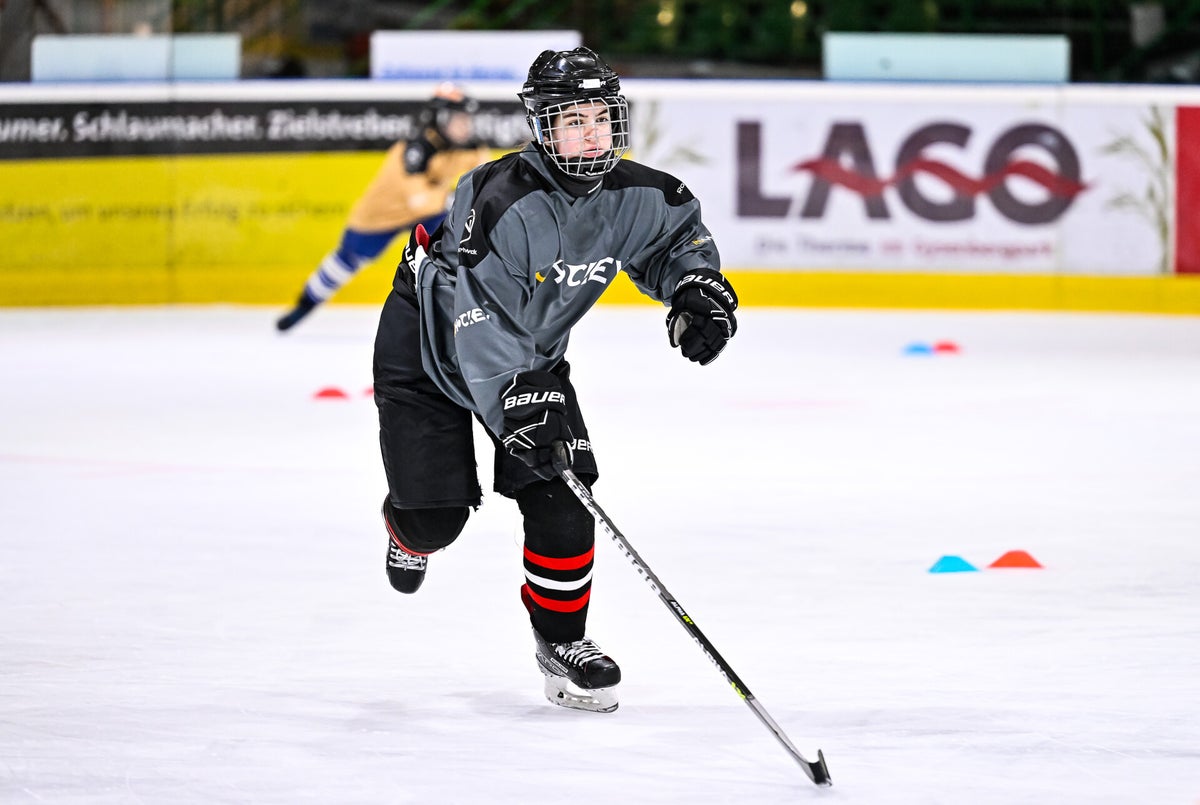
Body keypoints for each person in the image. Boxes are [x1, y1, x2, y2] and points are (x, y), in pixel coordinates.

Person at [371, 47, 738, 713]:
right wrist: (522, 404)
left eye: (601, 118)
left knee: (565, 492)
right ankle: (406, 532)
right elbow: (479, 317)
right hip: (429, 350)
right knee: (433, 521)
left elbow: (675, 242)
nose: (592, 135)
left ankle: (562, 644)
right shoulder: (500, 199)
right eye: (574, 121)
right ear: (543, 127)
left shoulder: (639, 195)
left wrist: (693, 289)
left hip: (528, 355)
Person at [275, 83, 489, 331]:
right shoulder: (415, 149)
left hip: (429, 212)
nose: (465, 125)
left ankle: (459, 308)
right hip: (381, 215)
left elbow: (482, 179)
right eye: (459, 119)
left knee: (457, 244)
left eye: (467, 119)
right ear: (440, 118)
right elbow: (417, 201)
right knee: (346, 261)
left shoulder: (469, 146)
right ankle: (306, 304)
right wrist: (454, 198)